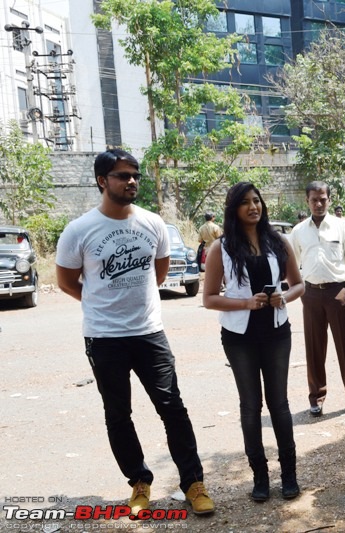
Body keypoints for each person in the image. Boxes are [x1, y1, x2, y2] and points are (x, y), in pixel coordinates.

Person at [55, 149, 214, 517]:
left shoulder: (152, 223)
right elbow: (65, 281)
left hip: (149, 334)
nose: (131, 181)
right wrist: (98, 303)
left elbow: (158, 275)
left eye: (135, 175)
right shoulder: (80, 230)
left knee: (173, 407)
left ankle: (193, 482)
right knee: (118, 414)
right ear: (101, 181)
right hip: (104, 338)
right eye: (122, 175)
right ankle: (139, 481)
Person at [201, 182, 304, 502]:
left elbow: (299, 286)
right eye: (245, 202)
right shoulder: (222, 247)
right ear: (234, 209)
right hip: (238, 336)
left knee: (280, 404)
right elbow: (209, 298)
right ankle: (260, 476)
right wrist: (246, 303)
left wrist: (283, 298)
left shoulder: (279, 241)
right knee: (250, 405)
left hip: (276, 332)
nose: (253, 207)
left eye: (256, 200)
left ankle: (289, 474)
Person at [290, 181, 345, 417]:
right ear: (307, 201)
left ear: (329, 200)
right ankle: (316, 398)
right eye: (314, 199)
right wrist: (300, 288)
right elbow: (292, 263)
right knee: (314, 348)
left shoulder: (341, 227)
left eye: (323, 199)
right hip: (311, 293)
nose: (319, 203)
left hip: (337, 292)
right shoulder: (298, 231)